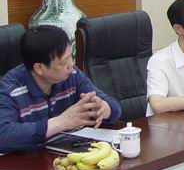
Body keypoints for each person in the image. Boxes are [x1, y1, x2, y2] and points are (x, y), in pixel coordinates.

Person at [0, 25, 121, 153]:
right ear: (39, 68)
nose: (71, 64)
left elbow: (115, 108)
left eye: (71, 57)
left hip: (65, 155)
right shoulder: (10, 90)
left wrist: (103, 108)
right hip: (27, 161)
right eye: (64, 62)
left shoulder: (72, 75)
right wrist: (61, 122)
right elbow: (3, 135)